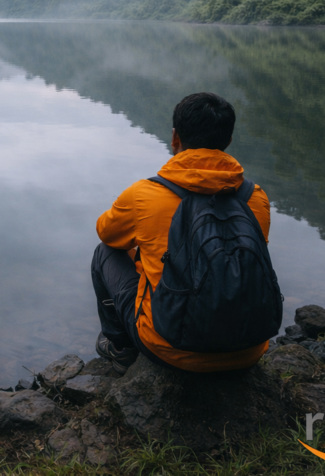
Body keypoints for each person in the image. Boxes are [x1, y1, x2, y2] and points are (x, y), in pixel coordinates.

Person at [91, 92, 272, 374]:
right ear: (228, 142)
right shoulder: (255, 197)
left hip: (169, 349)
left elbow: (106, 232)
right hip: (249, 350)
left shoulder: (144, 194)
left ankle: (121, 348)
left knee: (105, 253)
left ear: (175, 138)